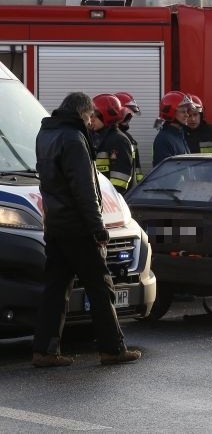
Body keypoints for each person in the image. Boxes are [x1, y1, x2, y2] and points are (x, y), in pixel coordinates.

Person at [32, 92, 141, 367]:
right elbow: (84, 189)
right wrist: (98, 228)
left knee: (55, 290)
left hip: (56, 225)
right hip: (78, 228)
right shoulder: (73, 138)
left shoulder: (45, 135)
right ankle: (113, 348)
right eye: (90, 116)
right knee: (100, 287)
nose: (92, 122)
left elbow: (48, 183)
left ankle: (44, 351)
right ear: (83, 113)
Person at [89, 94, 135, 194]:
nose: (91, 119)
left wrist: (106, 199)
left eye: (94, 116)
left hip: (112, 203)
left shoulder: (119, 140)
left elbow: (119, 182)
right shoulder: (95, 136)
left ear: (106, 115)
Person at [152, 90, 193, 166]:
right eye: (183, 112)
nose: (187, 115)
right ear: (171, 113)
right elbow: (164, 172)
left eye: (187, 111)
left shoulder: (179, 135)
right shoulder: (164, 139)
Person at [115, 92, 144, 187]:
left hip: (131, 193)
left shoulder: (130, 139)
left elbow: (137, 170)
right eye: (128, 114)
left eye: (131, 115)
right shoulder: (107, 138)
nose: (130, 118)